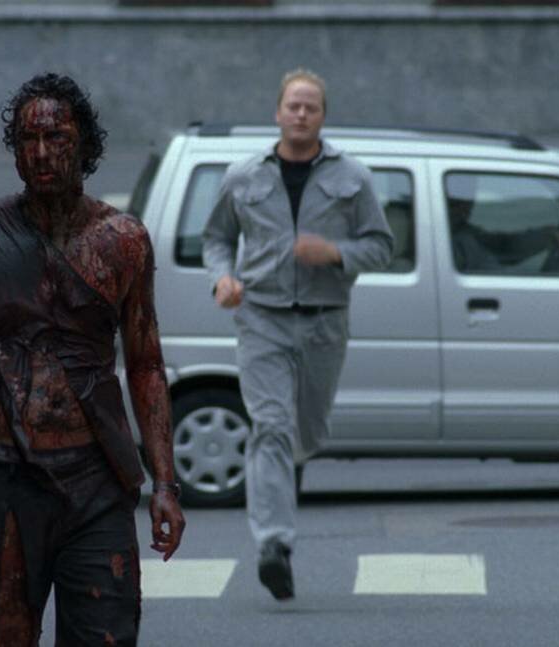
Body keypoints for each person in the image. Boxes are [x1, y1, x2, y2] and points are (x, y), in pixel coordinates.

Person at [0, 72, 184, 646]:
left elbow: (146, 364)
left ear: (84, 145)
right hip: (3, 477)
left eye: (55, 137)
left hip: (96, 479)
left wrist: (165, 483)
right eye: (27, 141)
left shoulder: (122, 241)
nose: (40, 153)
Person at [202, 68, 393, 601]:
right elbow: (217, 239)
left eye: (311, 107)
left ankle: (290, 470)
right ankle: (274, 546)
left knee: (305, 433)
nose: (301, 114)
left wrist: (335, 252)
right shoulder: (243, 175)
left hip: (325, 320)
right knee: (269, 426)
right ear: (278, 112)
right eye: (294, 105)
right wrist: (222, 279)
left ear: (323, 116)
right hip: (261, 317)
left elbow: (381, 246)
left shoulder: (353, 177)